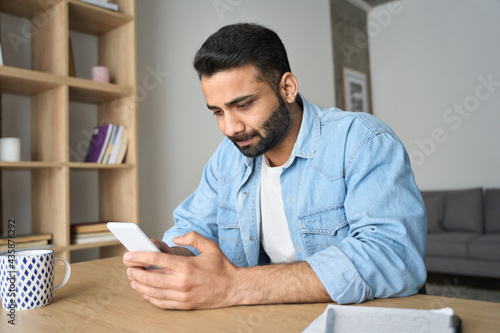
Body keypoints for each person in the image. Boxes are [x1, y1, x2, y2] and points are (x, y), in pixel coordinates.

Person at [123, 23, 427, 310]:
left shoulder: (362, 140)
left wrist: (234, 285)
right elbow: (194, 228)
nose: (230, 128)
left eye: (243, 105)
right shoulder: (228, 158)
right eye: (217, 111)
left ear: (288, 88)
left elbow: (391, 257)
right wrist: (173, 255)